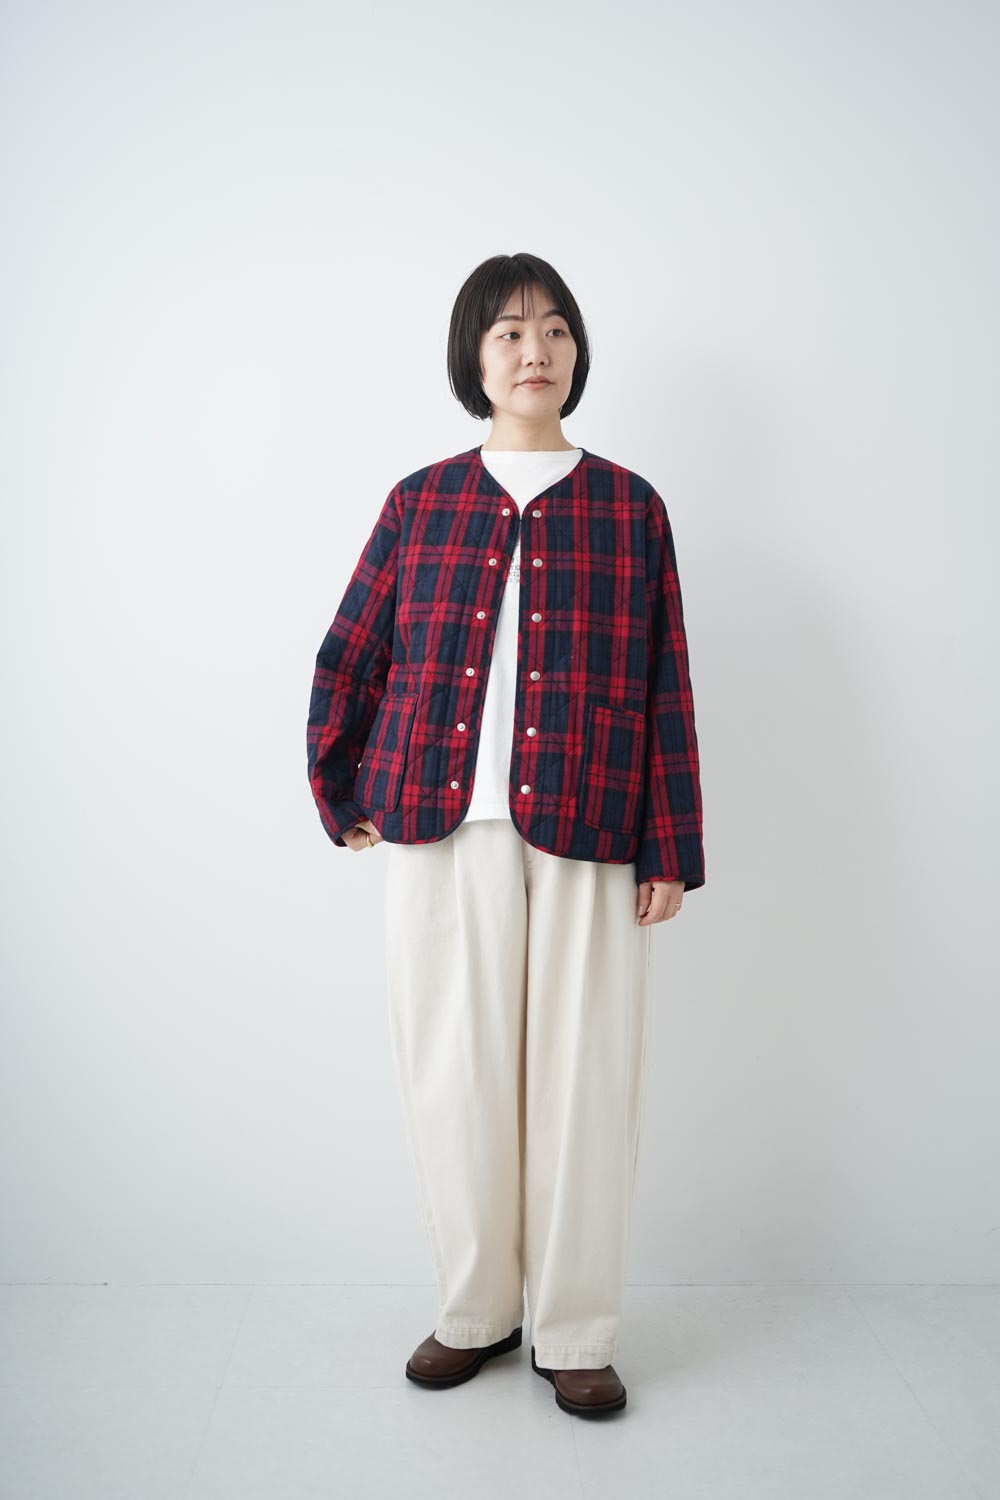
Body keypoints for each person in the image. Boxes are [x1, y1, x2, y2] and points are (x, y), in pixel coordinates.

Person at [306, 252, 705, 1418]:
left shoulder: (630, 507)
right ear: (472, 359)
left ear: (577, 351)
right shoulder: (420, 501)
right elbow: (353, 652)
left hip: (590, 825)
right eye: (508, 333)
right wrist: (343, 788)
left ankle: (574, 1329)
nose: (535, 351)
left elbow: (665, 683)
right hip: (439, 827)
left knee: (585, 1080)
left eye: (554, 329)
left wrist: (670, 845)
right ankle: (474, 1309)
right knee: (454, 1075)